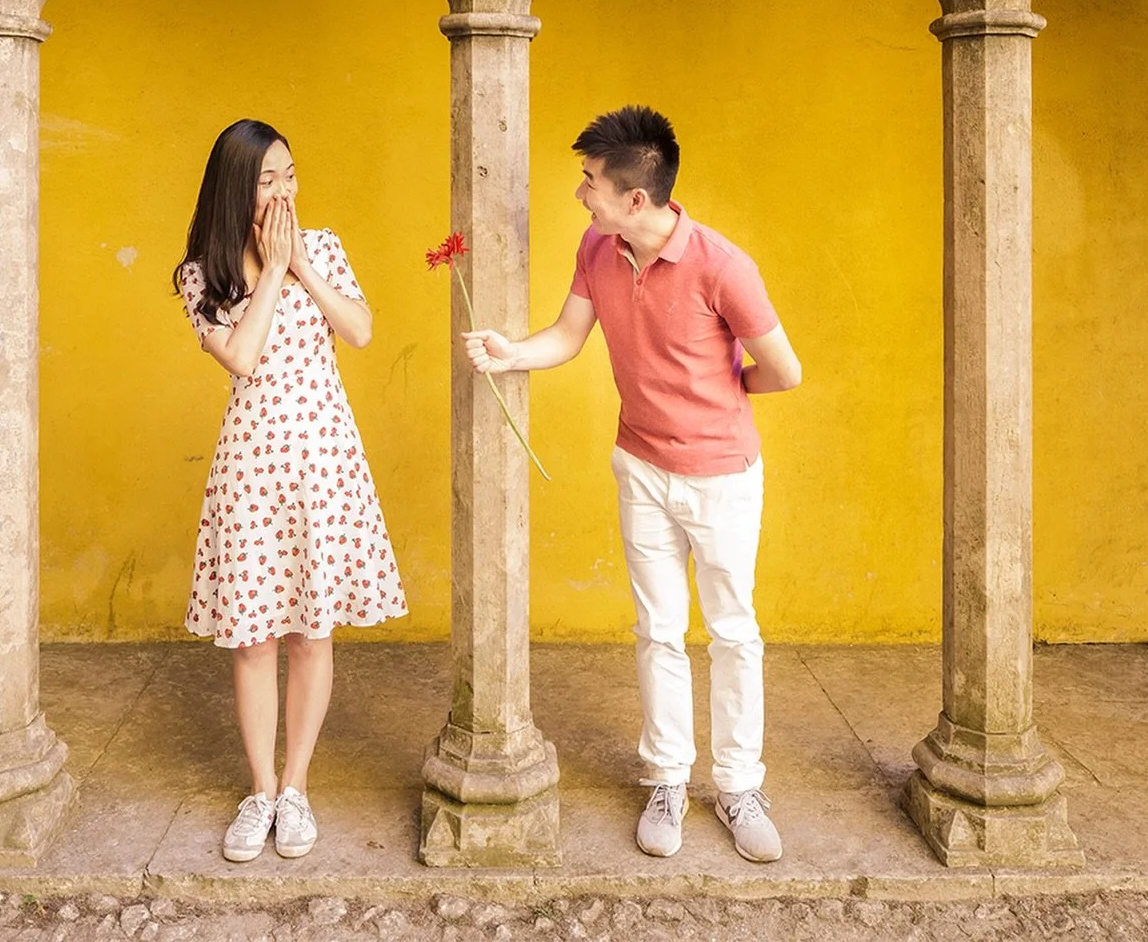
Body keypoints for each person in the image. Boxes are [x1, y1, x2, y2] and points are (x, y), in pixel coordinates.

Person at [464, 105, 801, 863]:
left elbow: (785, 370)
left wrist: (723, 397)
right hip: (640, 466)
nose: (581, 195)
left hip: (721, 477)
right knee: (657, 630)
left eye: (590, 183)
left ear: (635, 198)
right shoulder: (598, 247)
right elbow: (567, 337)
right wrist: (508, 352)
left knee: (732, 631)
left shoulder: (723, 266)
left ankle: (739, 787)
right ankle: (669, 781)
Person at [174, 118, 407, 863]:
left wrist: (302, 262)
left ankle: (298, 787)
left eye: (290, 175)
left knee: (313, 632)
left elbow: (362, 331)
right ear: (235, 188)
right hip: (251, 471)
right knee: (252, 639)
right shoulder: (200, 274)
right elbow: (241, 356)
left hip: (325, 463)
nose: (283, 191)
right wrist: (271, 271)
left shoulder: (326, 247)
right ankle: (261, 790)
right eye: (267, 179)